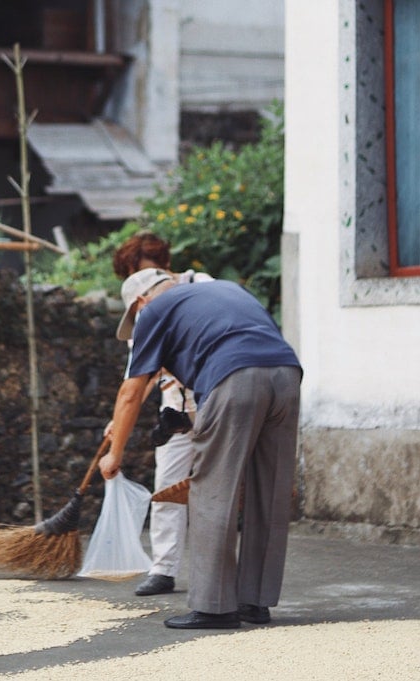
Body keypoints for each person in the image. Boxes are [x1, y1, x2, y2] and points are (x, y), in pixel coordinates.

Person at [99, 268, 302, 629]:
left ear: (140, 303)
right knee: (269, 491)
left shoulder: (154, 313)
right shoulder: (223, 290)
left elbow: (131, 392)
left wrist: (114, 454)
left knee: (212, 491)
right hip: (286, 375)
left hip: (234, 376)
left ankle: (215, 607)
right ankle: (255, 603)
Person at [110, 232, 212, 597]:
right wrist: (120, 418)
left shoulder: (201, 285)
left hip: (213, 399)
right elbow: (137, 376)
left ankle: (214, 570)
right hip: (174, 407)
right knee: (166, 486)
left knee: (216, 487)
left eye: (147, 271)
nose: (144, 281)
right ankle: (163, 569)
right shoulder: (142, 312)